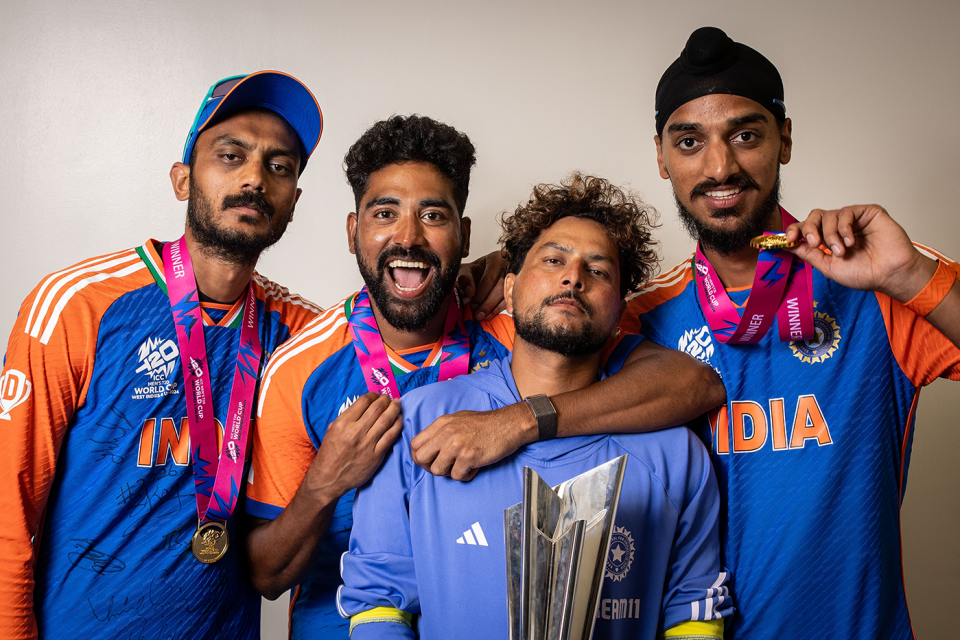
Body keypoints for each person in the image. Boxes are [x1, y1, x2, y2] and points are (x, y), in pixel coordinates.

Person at [243, 116, 725, 637]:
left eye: (433, 215)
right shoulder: (299, 368)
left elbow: (695, 383)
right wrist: (325, 483)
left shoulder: (530, 328)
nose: (408, 236)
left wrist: (517, 421)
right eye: (385, 213)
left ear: (463, 235)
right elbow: (267, 576)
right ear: (353, 231)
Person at [619, 27, 960, 639]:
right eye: (690, 142)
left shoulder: (879, 280)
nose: (720, 167)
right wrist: (491, 273)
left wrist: (907, 274)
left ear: (786, 139)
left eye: (745, 135)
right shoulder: (638, 315)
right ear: (662, 157)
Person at [0, 71, 324, 639]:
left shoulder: (301, 332)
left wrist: (478, 273)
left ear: (293, 203)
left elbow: (403, 332)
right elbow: (9, 507)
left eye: (279, 166)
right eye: (231, 156)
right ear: (182, 180)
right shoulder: (78, 305)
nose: (254, 178)